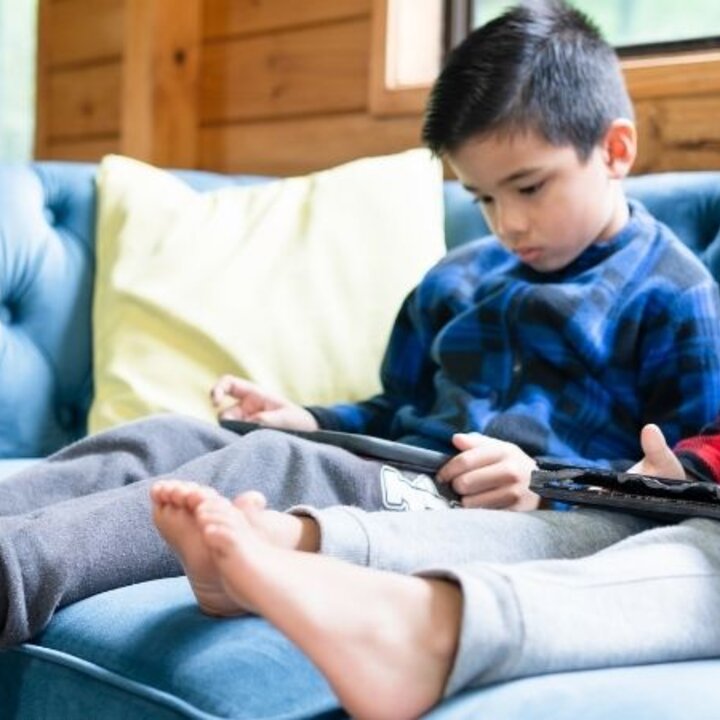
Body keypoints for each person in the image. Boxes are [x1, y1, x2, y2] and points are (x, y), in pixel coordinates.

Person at [1, 0, 720, 650]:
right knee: (173, 434)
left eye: (529, 188)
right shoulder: (460, 277)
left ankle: (15, 578)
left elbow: (675, 491)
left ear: (616, 151)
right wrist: (310, 418)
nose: (510, 224)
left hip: (482, 511)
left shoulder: (675, 295)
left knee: (275, 467)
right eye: (484, 199)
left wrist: (550, 482)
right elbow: (393, 410)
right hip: (397, 466)